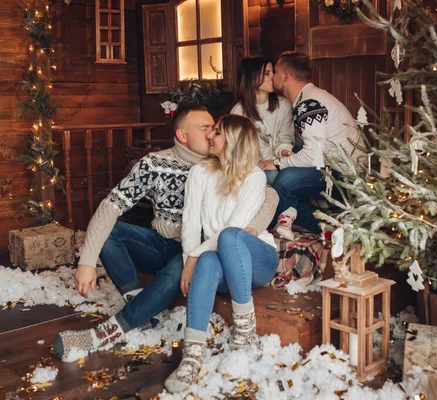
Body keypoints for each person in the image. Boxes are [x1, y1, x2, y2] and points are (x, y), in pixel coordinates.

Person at [53, 105, 278, 358]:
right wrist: (87, 261)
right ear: (183, 136)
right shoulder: (155, 163)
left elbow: (268, 195)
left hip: (201, 249)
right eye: (206, 129)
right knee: (110, 232)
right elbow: (109, 207)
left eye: (215, 130)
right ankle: (139, 306)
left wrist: (251, 229)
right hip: (163, 241)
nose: (211, 135)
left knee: (175, 272)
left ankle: (107, 332)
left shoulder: (221, 161)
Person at [164, 114, 279, 393]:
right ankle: (192, 354)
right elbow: (190, 223)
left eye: (217, 132)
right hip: (221, 260)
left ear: (233, 140)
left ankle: (245, 330)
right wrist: (188, 259)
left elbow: (235, 229)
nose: (209, 136)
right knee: (207, 258)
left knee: (228, 237)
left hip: (256, 259)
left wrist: (193, 256)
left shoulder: (254, 176)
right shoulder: (200, 173)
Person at [263, 51, 364, 240]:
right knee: (288, 164)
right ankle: (323, 225)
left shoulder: (309, 103)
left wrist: (278, 163)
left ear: (286, 76)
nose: (272, 76)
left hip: (345, 174)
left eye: (274, 71)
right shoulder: (309, 97)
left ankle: (319, 226)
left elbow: (313, 155)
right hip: (333, 164)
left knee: (284, 181)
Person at [231, 57, 295, 185]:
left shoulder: (283, 105)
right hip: (253, 166)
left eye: (273, 72)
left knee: (287, 176)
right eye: (267, 73)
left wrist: (283, 151)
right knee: (272, 176)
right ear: (251, 76)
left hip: (278, 162)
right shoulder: (238, 112)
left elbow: (285, 138)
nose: (273, 77)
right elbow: (239, 151)